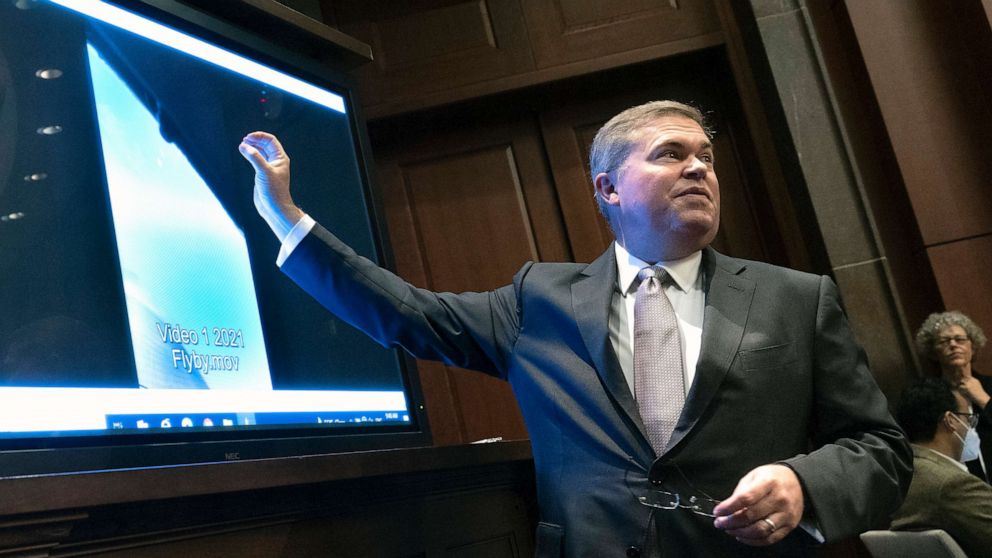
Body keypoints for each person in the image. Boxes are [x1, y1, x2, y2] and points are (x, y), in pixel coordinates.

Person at [238, 100, 911, 557]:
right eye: (671, 154)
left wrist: (804, 484)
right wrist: (285, 218)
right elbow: (408, 313)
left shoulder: (796, 299)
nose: (701, 167)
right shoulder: (542, 300)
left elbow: (880, 448)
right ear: (609, 189)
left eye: (706, 155)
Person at [890, 378, 992, 556]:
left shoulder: (902, 475)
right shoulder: (953, 484)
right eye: (968, 420)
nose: (970, 428)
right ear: (950, 420)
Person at [916, 311, 990, 482]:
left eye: (960, 339)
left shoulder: (989, 386)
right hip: (960, 486)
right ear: (933, 352)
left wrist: (984, 399)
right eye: (944, 341)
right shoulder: (930, 396)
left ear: (973, 346)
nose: (953, 345)